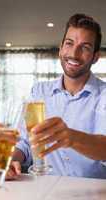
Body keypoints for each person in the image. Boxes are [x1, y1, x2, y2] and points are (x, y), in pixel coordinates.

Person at [7, 13, 106, 179]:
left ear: (95, 57)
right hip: (41, 189)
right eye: (69, 43)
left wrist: (72, 138)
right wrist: (10, 160)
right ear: (61, 48)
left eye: (85, 47)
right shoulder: (39, 92)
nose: (74, 54)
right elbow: (25, 143)